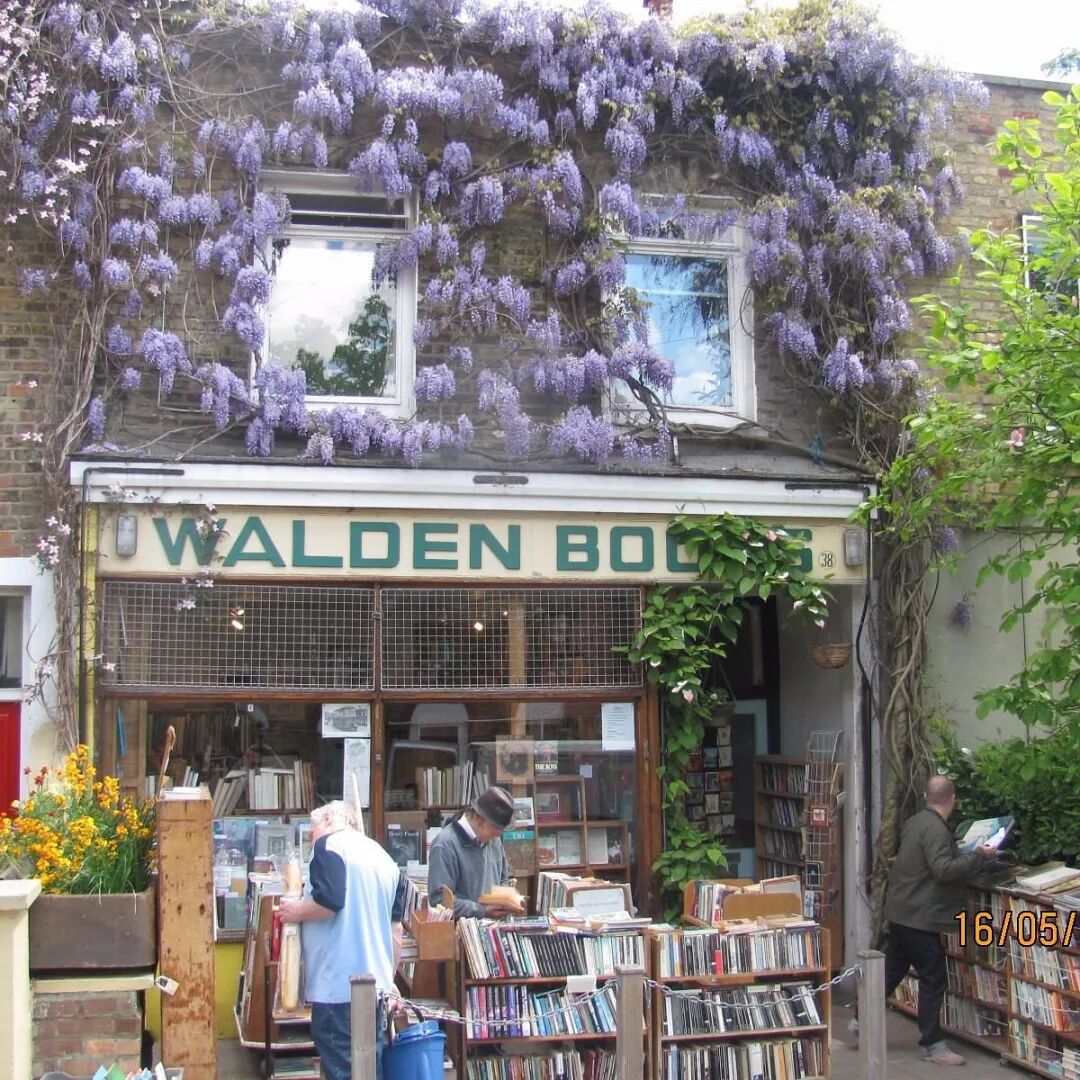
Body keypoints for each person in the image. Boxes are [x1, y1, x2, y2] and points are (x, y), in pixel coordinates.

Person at [279, 801, 403, 1080]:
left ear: (328, 819)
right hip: (377, 989)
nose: (312, 836)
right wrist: (390, 978)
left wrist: (294, 910)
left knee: (344, 1071)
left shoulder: (329, 846)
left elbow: (330, 901)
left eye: (312, 829)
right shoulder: (383, 857)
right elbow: (396, 930)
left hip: (338, 987)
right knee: (371, 1071)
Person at [882, 774, 1000, 1066]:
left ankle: (860, 1017)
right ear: (953, 800)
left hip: (901, 909)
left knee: (891, 970)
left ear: (925, 797)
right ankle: (932, 1044)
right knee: (933, 977)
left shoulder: (915, 822)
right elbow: (943, 870)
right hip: (921, 915)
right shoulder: (936, 830)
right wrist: (978, 856)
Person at [427, 785, 519, 919]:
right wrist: (482, 910)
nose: (498, 834)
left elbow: (504, 877)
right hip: (460, 933)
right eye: (495, 827)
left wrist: (508, 895)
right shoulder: (444, 845)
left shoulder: (494, 839)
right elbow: (440, 901)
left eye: (501, 829)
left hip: (492, 929)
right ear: (478, 818)